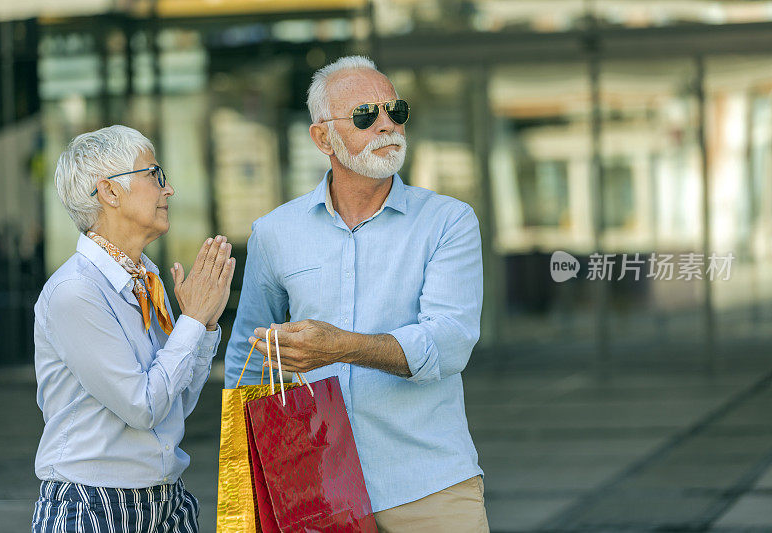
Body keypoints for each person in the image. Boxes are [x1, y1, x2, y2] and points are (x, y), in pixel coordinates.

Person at [225, 56, 489, 532]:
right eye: (367, 115)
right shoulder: (274, 233)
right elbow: (249, 354)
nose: (387, 125)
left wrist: (341, 346)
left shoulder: (448, 221)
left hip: (428, 484)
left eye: (396, 111)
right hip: (315, 486)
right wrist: (246, 484)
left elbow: (449, 342)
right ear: (322, 138)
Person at [32, 125, 235, 532]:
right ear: (110, 192)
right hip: (92, 504)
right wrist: (192, 321)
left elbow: (174, 403)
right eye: (154, 175)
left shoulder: (144, 279)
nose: (169, 189)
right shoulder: (76, 291)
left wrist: (206, 325)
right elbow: (143, 406)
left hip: (166, 501)